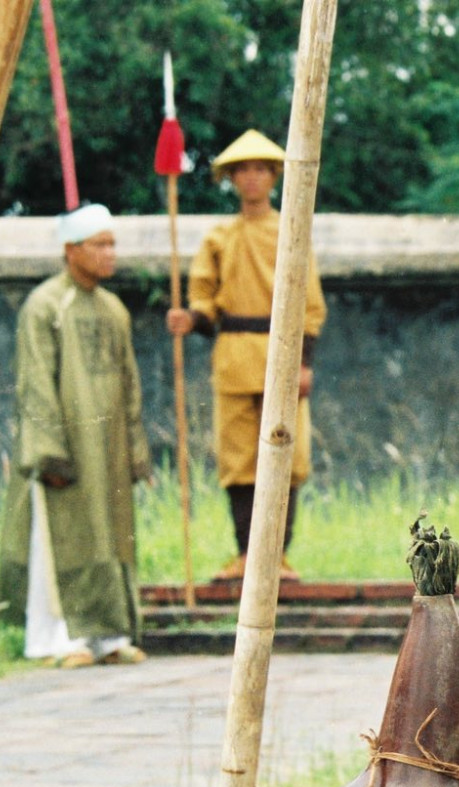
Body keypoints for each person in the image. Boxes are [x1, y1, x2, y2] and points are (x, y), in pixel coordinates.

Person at [166, 129, 327, 582]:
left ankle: (277, 556)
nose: (252, 179)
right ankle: (245, 554)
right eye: (243, 171)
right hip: (235, 354)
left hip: (282, 353)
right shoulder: (219, 237)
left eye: (260, 170)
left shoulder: (292, 231)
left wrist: (304, 362)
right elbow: (204, 299)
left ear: (273, 177)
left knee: (288, 455)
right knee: (238, 459)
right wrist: (191, 320)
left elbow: (310, 304)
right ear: (233, 179)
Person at [0, 205, 151, 668]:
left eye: (112, 244)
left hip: (108, 449)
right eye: (100, 245)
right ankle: (58, 639)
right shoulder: (45, 306)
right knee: (62, 537)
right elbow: (35, 384)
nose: (110, 254)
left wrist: (136, 453)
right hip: (67, 450)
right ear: (71, 251)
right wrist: (49, 453)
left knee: (111, 536)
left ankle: (109, 636)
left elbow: (130, 386)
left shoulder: (114, 309)